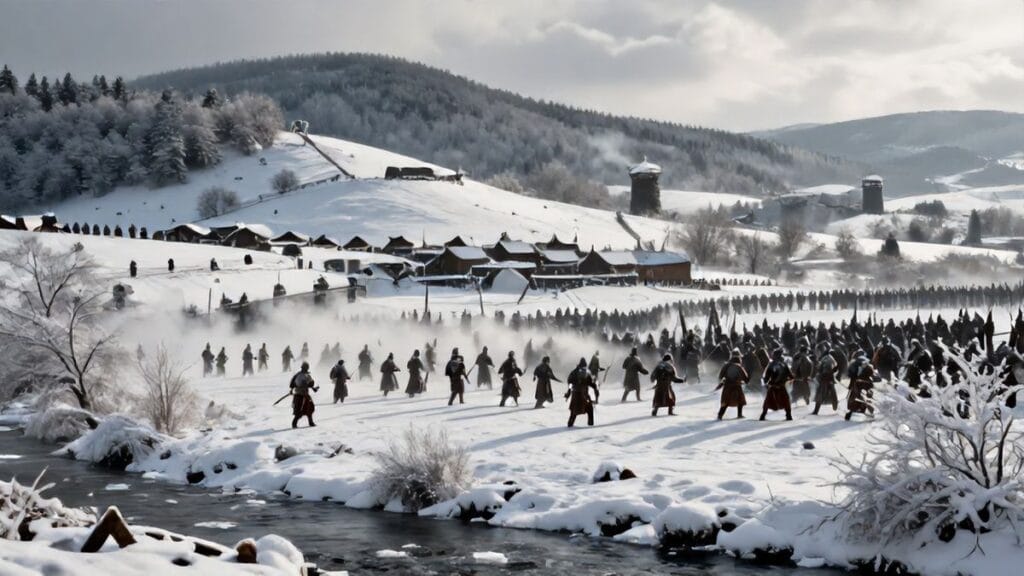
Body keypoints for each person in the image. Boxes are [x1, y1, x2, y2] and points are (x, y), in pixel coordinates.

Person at [760, 349, 793, 421]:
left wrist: (765, 382)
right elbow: (791, 376)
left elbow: (766, 378)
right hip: (781, 387)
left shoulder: (771, 365)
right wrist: (785, 380)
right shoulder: (784, 365)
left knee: (767, 402)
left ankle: (763, 415)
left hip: (773, 387)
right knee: (786, 401)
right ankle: (788, 416)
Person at [716, 349, 748, 420]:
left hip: (727, 386)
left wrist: (721, 382)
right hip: (737, 386)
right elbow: (745, 377)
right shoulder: (739, 367)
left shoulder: (726, 365)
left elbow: (720, 376)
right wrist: (746, 381)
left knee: (725, 401)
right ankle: (739, 414)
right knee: (740, 400)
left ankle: (720, 415)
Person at [566, 358, 599, 427]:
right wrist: (595, 386)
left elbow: (569, 382)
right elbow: (590, 382)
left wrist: (569, 391)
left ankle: (570, 424)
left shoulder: (574, 372)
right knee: (589, 409)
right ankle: (590, 425)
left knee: (574, 410)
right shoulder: (586, 372)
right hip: (584, 394)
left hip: (575, 393)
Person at [812, 345, 840, 415]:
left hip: (826, 379)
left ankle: (816, 411)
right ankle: (836, 408)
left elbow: (826, 371)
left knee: (821, 395)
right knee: (832, 395)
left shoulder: (827, 359)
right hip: (828, 378)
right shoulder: (829, 358)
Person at [289, 362, 318, 428]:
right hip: (301, 394)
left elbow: (310, 384)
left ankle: (311, 422)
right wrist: (291, 389)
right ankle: (294, 424)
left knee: (309, 408)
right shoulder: (300, 375)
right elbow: (293, 384)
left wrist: (313, 387)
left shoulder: (304, 375)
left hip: (304, 394)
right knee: (299, 410)